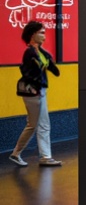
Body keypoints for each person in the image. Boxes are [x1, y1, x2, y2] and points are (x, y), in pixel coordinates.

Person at [10, 21, 62, 167]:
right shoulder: (29, 53)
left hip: (39, 90)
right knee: (41, 124)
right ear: (32, 34)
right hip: (33, 92)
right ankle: (45, 157)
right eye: (41, 33)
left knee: (34, 124)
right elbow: (26, 72)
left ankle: (16, 154)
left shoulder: (42, 52)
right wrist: (35, 87)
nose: (44, 36)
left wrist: (51, 65)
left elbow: (52, 69)